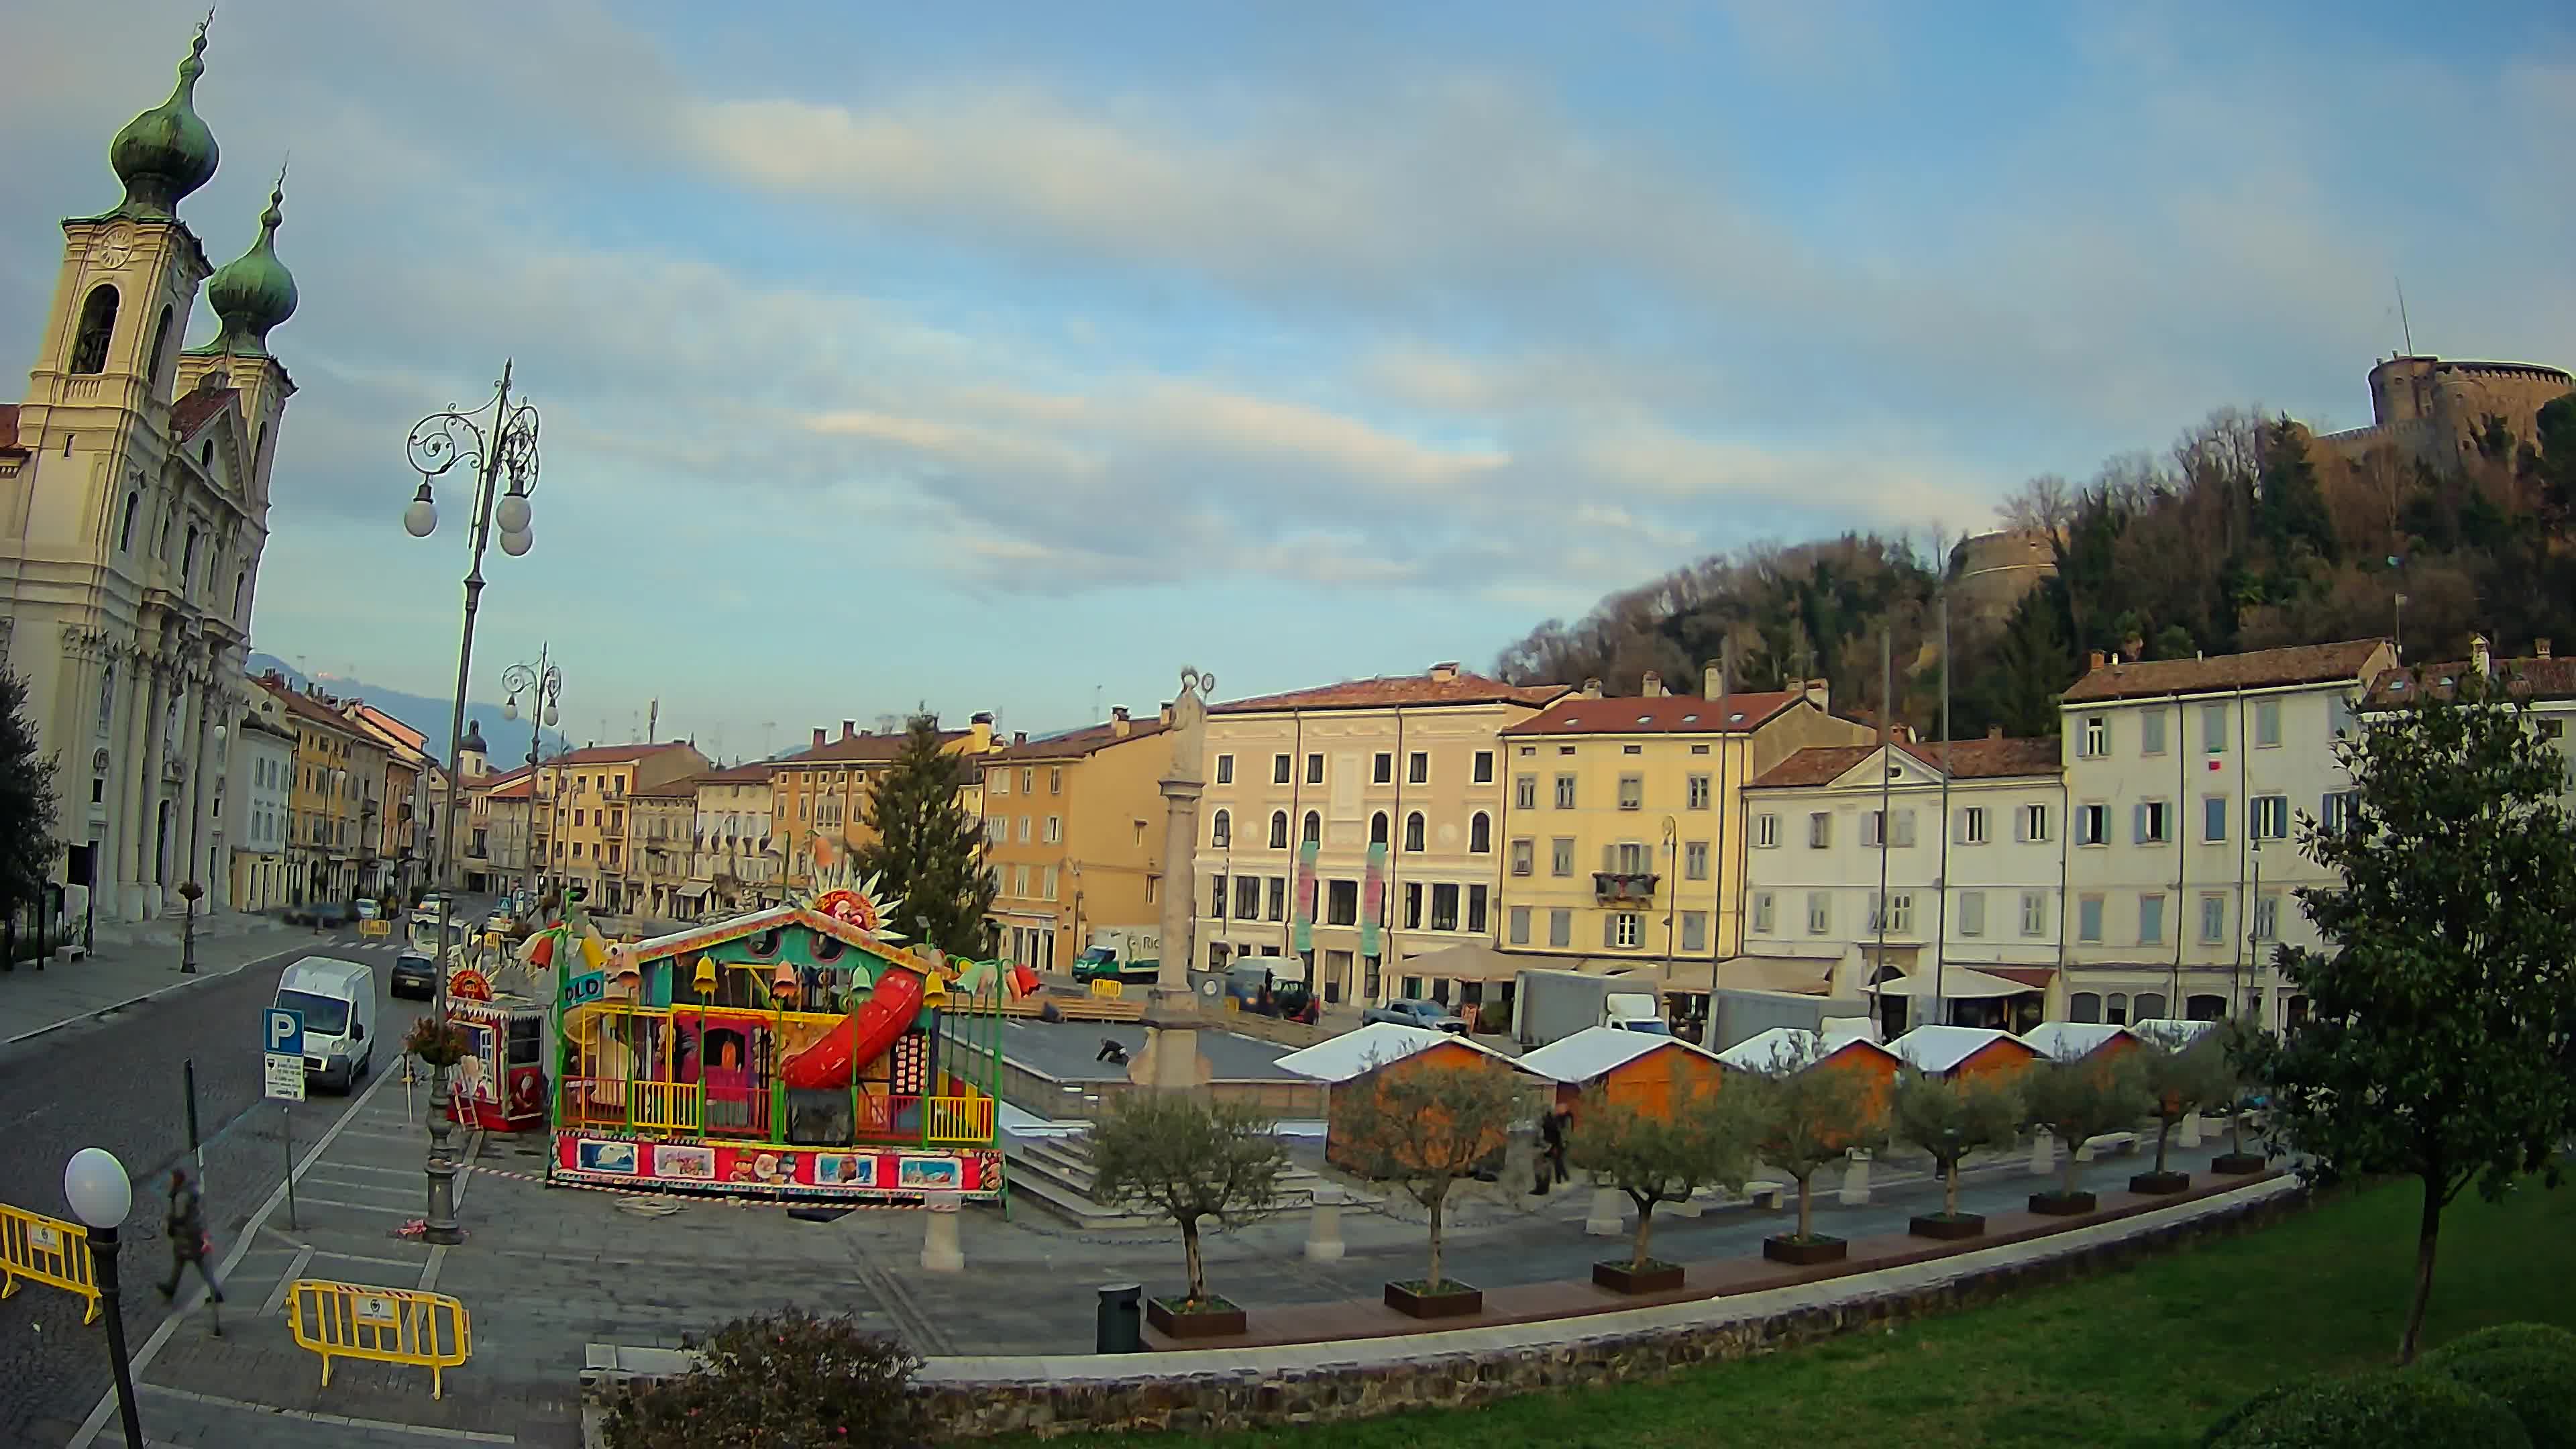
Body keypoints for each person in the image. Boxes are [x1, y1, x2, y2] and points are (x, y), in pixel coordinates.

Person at [155, 1168, 223, 1304]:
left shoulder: (182, 1196)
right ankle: (172, 1288)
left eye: (173, 1178)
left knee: (200, 1265)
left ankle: (216, 1293)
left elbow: (180, 1217)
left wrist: (169, 1220)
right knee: (182, 1262)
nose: (171, 1181)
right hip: (191, 1235)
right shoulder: (188, 1191)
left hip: (188, 1237)